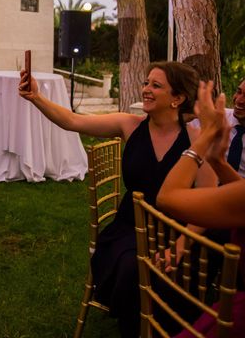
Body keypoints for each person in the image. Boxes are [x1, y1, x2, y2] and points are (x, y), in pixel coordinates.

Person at [18, 61, 216, 337]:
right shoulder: (130, 125)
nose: (145, 89)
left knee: (177, 272)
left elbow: (208, 201)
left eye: (155, 85)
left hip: (177, 230)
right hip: (130, 227)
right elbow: (74, 121)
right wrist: (36, 97)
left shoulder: (197, 140)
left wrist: (181, 244)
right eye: (146, 83)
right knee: (131, 268)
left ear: (178, 99)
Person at [157, 81, 245, 338]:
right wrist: (217, 160)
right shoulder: (226, 119)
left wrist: (205, 140)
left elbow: (168, 197)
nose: (239, 100)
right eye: (239, 92)